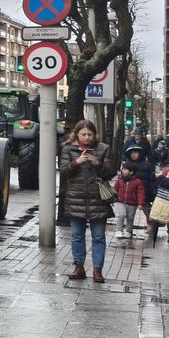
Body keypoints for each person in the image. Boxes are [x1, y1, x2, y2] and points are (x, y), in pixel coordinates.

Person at [60, 120, 116, 282]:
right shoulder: (68, 149)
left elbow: (110, 172)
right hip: (75, 198)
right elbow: (64, 172)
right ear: (77, 135)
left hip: (98, 199)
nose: (86, 137)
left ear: (94, 135)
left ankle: (97, 270)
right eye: (83, 134)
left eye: (89, 134)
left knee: (98, 236)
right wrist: (77, 162)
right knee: (77, 235)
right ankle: (79, 267)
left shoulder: (103, 149)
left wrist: (97, 163)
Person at [114, 160, 149, 242]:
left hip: (132, 203)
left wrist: (140, 203)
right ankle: (119, 230)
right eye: (123, 169)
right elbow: (115, 190)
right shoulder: (119, 180)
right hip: (121, 202)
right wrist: (114, 197)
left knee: (130, 217)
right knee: (121, 215)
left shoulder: (137, 182)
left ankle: (128, 231)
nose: (123, 171)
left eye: (125, 169)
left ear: (131, 172)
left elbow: (140, 193)